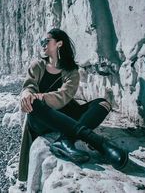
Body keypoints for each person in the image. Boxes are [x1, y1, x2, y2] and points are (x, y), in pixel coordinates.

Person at [18, 28, 128, 182]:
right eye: (42, 42)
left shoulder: (71, 71)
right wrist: (27, 94)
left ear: (59, 44)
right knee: (34, 103)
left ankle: (66, 140)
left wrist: (42, 96)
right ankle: (99, 143)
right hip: (42, 119)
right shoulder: (37, 65)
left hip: (64, 115)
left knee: (103, 103)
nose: (43, 44)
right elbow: (28, 86)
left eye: (46, 41)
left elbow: (64, 96)